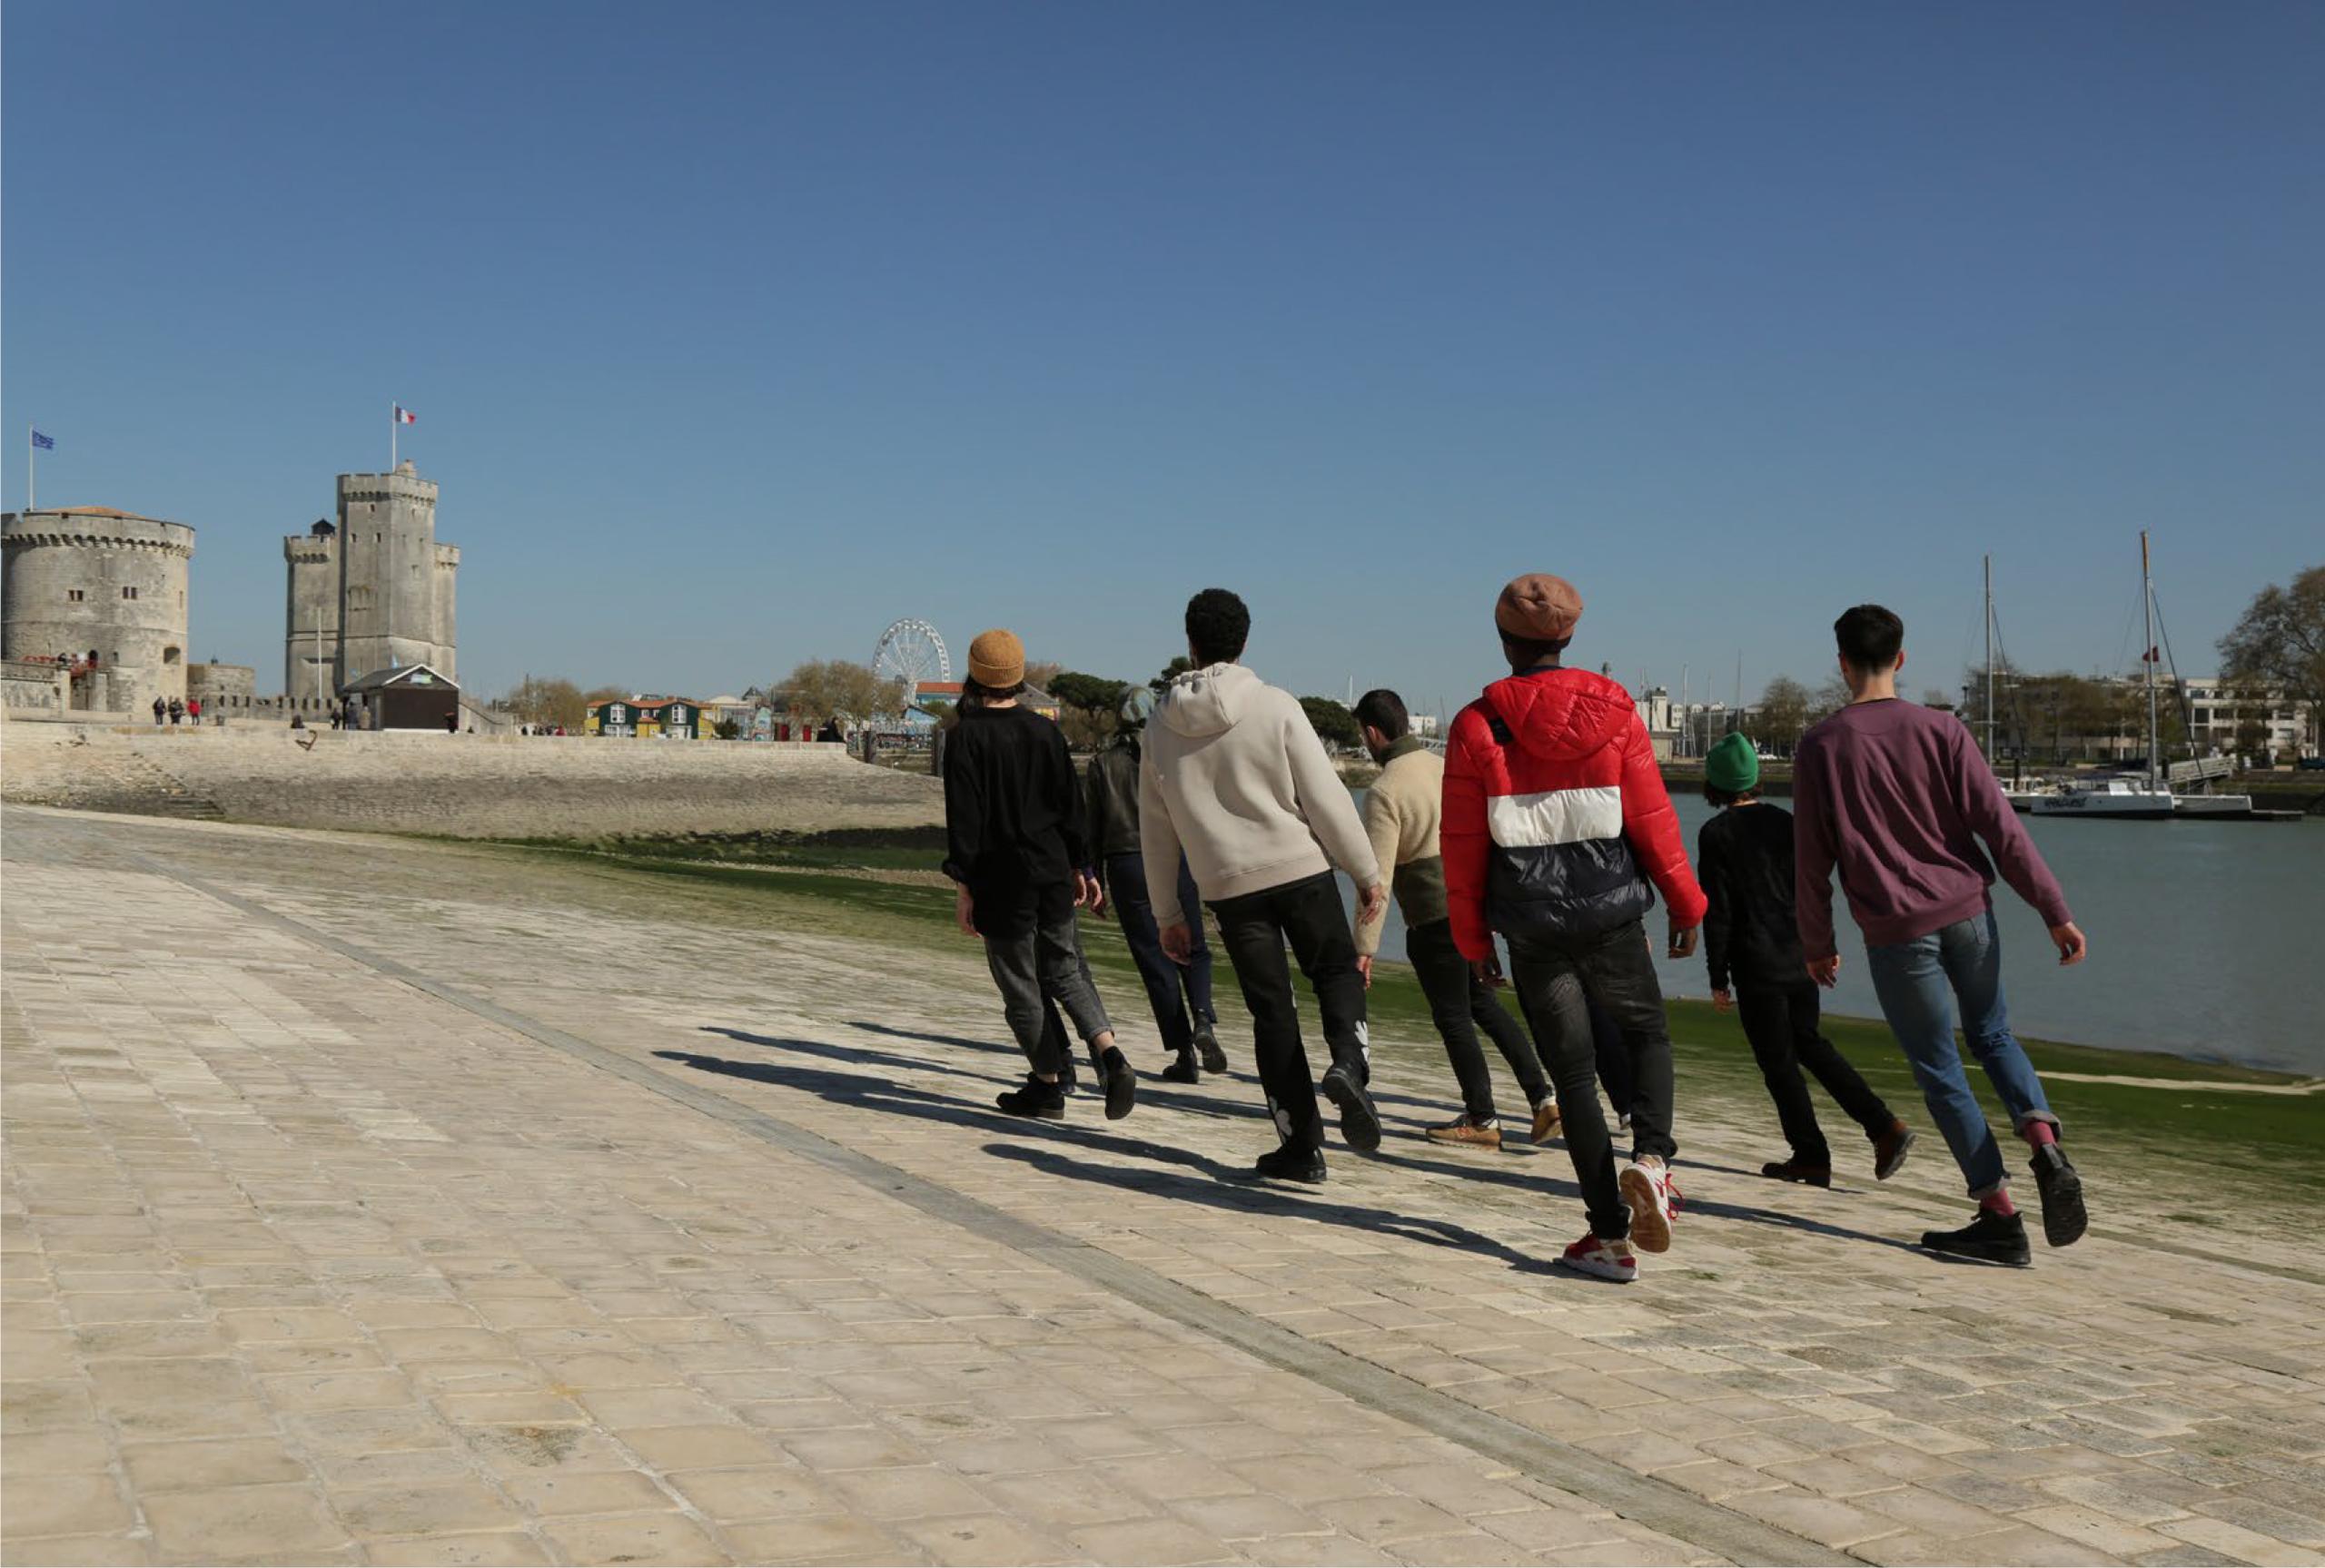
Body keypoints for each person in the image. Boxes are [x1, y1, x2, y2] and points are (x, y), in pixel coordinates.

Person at [1796, 606, 2089, 1266]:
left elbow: (1812, 859)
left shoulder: (1821, 745)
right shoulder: (1944, 730)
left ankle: (1999, 1214)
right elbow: (2002, 829)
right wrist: (2053, 909)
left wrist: (1817, 940)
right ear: (1901, 659)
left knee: (1940, 1067)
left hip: (1898, 931)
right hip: (1969, 912)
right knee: (1994, 1034)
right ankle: (2044, 1141)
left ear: (1841, 662)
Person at [1443, 573, 1706, 1284]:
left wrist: (1474, 943)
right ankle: (1653, 1160)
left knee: (1575, 1077)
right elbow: (1654, 820)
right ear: (1567, 637)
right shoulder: (1617, 712)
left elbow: (1462, 848)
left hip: (1532, 929)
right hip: (1613, 913)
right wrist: (1687, 903)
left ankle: (1609, 1239)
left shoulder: (1476, 725)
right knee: (1646, 1032)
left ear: (1504, 641)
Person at [1140, 588, 1386, 1182]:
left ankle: (1300, 1147)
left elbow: (1156, 825)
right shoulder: (1275, 705)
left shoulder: (1158, 725)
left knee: (1270, 1010)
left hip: (1226, 886)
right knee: (1333, 971)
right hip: (1299, 868)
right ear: (1244, 640)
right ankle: (1349, 1063)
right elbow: (1323, 795)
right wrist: (1366, 870)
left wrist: (1168, 911)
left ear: (1190, 643)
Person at [1697, 731, 1915, 1188]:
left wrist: (1718, 976)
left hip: (1756, 962)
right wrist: (1825, 945)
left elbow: (1720, 911)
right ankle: (1882, 1126)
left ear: (1715, 783)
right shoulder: (1788, 823)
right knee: (1811, 1045)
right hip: (1800, 954)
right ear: (1754, 779)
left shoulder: (1715, 834)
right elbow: (1815, 889)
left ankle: (1812, 1153)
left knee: (1778, 1062)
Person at [942, 627, 1135, 1122]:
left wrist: (964, 886)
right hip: (1051, 870)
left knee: (1021, 985)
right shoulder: (1045, 732)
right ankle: (1109, 1051)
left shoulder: (964, 739)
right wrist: (1083, 866)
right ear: (1019, 675)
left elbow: (966, 823)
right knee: (1066, 969)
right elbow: (1071, 808)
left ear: (975, 673)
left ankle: (1048, 1084)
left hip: (1000, 878)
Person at [1351, 687, 1557, 1151]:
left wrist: (1364, 948)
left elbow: (1376, 880)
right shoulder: (1444, 766)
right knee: (1484, 1006)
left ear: (1372, 733)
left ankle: (1482, 1118)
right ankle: (1543, 1098)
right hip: (1473, 905)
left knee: (1454, 1018)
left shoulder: (1385, 790)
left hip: (1432, 919)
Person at [1085, 688, 1224, 1083]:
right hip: (1176, 858)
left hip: (1127, 864)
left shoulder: (1101, 765)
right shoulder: (1173, 758)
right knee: (1195, 947)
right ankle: (1203, 1018)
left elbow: (1091, 829)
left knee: (1155, 959)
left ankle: (1184, 1054)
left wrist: (1094, 879)